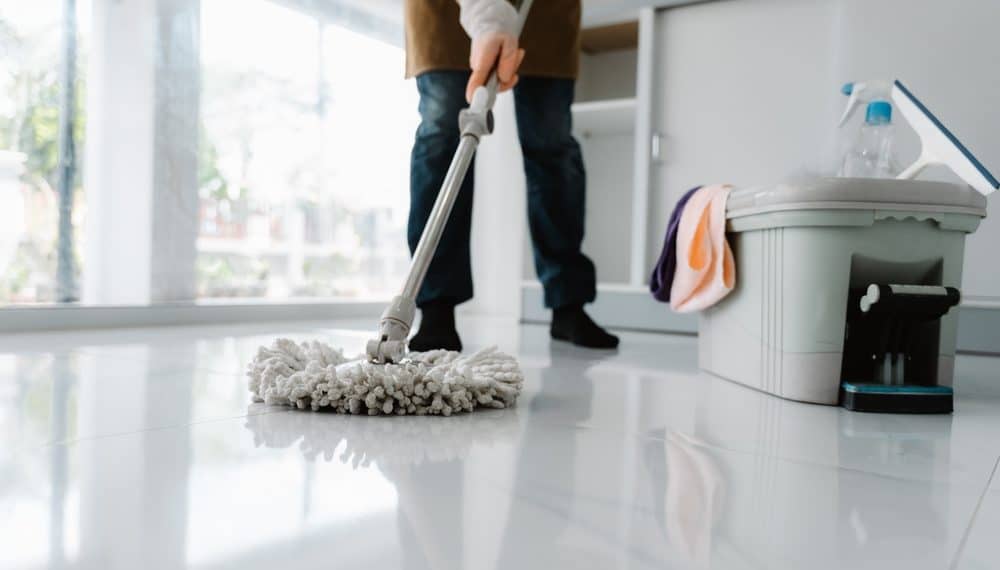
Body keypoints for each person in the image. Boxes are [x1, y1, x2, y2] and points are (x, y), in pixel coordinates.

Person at [404, 0, 619, 351]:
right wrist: (488, 16)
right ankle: (436, 307)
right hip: (445, 11)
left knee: (552, 143)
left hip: (545, 11)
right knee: (442, 135)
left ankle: (568, 304)